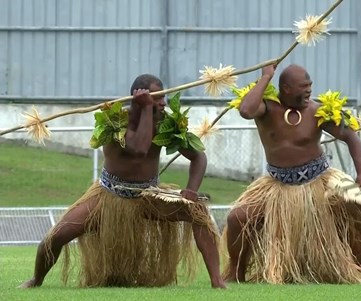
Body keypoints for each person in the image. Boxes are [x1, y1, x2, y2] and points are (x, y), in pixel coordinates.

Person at [19, 74, 226, 289]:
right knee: (57, 236)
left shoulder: (164, 124)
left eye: (164, 97)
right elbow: (139, 148)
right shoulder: (114, 123)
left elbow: (198, 157)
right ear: (139, 98)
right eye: (158, 97)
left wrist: (192, 189)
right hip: (109, 196)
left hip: (148, 196)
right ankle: (36, 279)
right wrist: (146, 108)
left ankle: (217, 281)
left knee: (198, 213)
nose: (163, 103)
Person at [221, 64, 361, 284]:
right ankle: (236, 272)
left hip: (321, 179)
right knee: (237, 217)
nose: (308, 91)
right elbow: (246, 110)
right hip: (277, 184)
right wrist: (266, 77)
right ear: (285, 89)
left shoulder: (317, 111)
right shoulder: (265, 108)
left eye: (310, 86)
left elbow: (350, 136)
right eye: (303, 87)